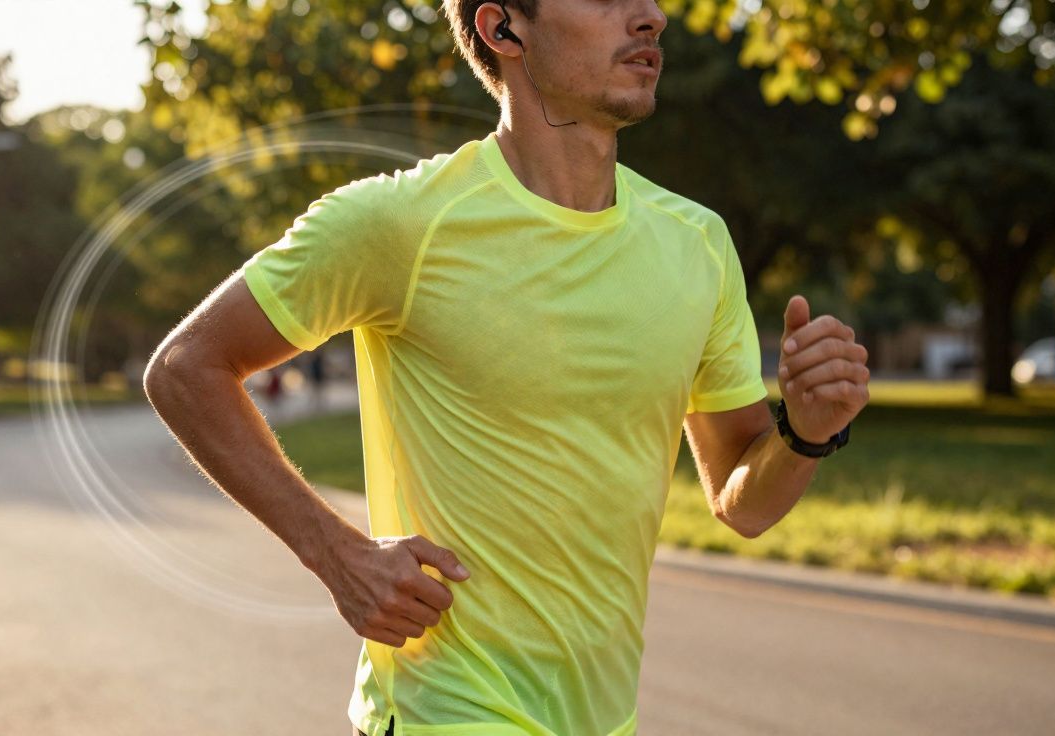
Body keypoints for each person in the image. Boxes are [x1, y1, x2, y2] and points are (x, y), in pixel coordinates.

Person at [142, 1, 871, 734]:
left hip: (601, 716)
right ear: (503, 29)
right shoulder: (400, 223)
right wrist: (336, 552)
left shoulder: (697, 243)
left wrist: (806, 434)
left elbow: (742, 501)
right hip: (445, 708)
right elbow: (185, 366)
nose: (651, 17)